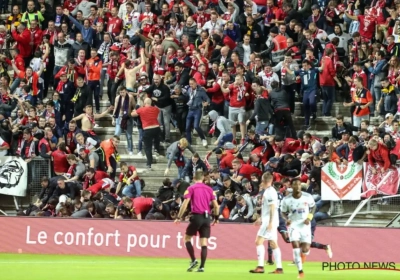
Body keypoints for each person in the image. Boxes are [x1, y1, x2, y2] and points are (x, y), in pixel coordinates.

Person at [174, 170, 219, 272]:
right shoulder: (209, 189)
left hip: (197, 216)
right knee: (204, 243)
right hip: (207, 218)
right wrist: (216, 218)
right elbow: (216, 206)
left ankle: (194, 260)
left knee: (187, 238)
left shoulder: (191, 188)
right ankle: (202, 267)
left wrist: (178, 217)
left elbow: (185, 204)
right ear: (203, 178)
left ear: (194, 179)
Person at [281, 178, 316, 279]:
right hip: (293, 225)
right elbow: (282, 212)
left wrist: (309, 217)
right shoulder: (286, 199)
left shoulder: (307, 197)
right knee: (296, 248)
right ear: (291, 186)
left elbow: (313, 207)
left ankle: (304, 255)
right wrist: (286, 219)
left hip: (305, 225)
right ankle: (300, 271)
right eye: (295, 185)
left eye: (299, 185)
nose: (298, 187)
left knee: (305, 249)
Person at [249, 173, 283, 274]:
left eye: (261, 180)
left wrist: (270, 222)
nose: (261, 182)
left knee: (258, 241)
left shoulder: (270, 192)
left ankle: (260, 266)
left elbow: (272, 207)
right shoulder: (269, 191)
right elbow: (268, 208)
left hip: (269, 221)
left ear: (264, 180)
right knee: (273, 244)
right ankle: (279, 268)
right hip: (269, 220)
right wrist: (261, 218)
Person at [131, 98, 161, 171]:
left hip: (147, 129)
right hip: (157, 128)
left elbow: (132, 114)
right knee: (156, 141)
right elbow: (158, 111)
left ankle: (149, 164)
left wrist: (134, 110)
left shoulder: (141, 109)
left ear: (144, 103)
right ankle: (157, 150)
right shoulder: (156, 109)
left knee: (148, 148)